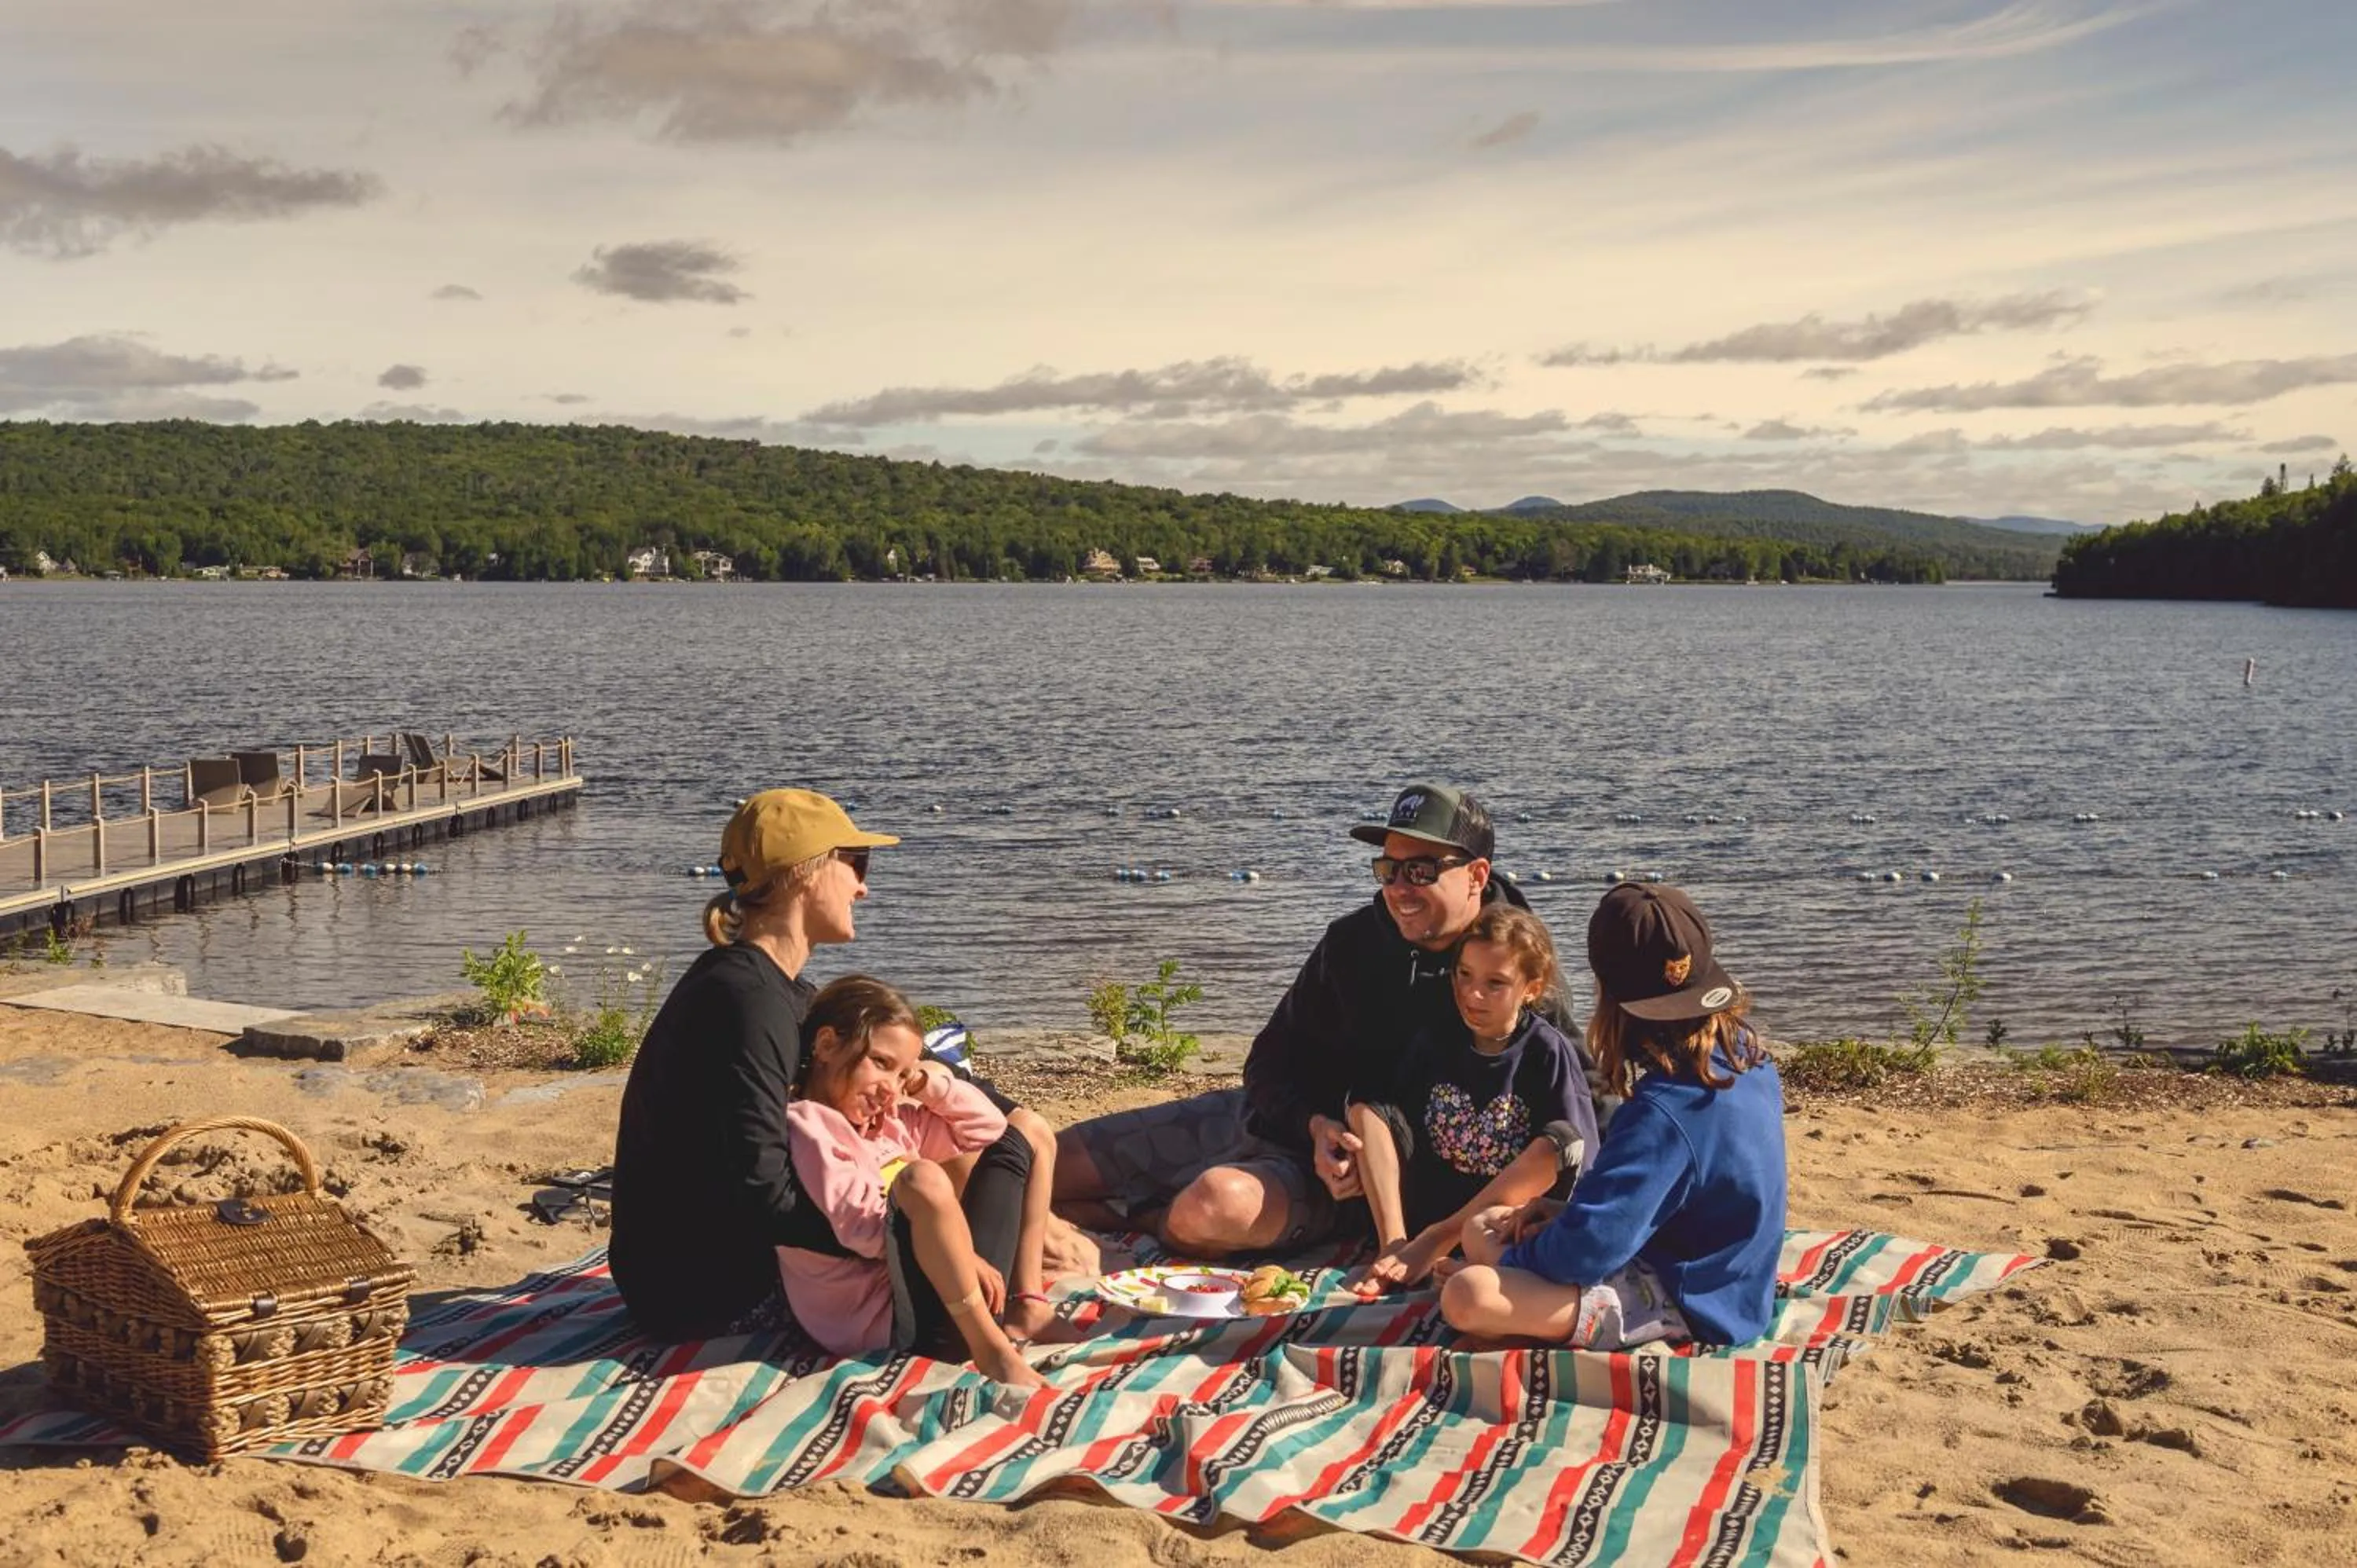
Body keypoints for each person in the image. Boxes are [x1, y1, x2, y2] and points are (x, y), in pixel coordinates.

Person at [609, 789, 1077, 1339]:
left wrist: (952, 1087)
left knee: (1009, 1131)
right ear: (806, 872)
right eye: (855, 863)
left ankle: (1012, 1297)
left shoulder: (774, 990)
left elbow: (919, 1067)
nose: (863, 884)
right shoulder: (747, 1002)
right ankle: (980, 1317)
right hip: (706, 1294)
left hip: (687, 1276)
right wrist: (927, 1247)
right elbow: (764, 1192)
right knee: (1005, 1149)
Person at [1056, 782, 1588, 1258]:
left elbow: (1587, 1098)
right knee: (1051, 1163)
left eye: (1421, 870)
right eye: (1389, 869)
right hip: (1280, 1123)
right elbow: (1268, 1062)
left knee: (1209, 1207)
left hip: (1355, 1185)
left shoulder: (1509, 962)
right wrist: (1314, 1125)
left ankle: (1134, 1217)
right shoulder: (1354, 942)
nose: (1400, 888)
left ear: (1476, 875)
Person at [1441, 883, 1787, 1351]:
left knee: (1468, 1292)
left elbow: (1585, 1253)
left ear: (1608, 995)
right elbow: (1662, 1199)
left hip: (1690, 1304)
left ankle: (1523, 1323)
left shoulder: (1662, 1113)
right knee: (1485, 1228)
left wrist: (1515, 1263)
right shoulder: (1748, 1055)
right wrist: (1565, 1214)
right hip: (1732, 1281)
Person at [780, 976, 1050, 1388]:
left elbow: (988, 1129)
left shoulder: (888, 1124)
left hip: (942, 1297)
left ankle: (1024, 1305)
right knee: (923, 1179)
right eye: (882, 1063)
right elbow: (864, 1235)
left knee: (1023, 1134)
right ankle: (993, 1352)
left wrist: (927, 1083)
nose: (890, 1088)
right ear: (827, 1045)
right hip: (893, 1328)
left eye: (901, 1074)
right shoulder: (810, 1126)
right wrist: (962, 1252)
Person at [1344, 903, 1595, 1297]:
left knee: (1561, 1141)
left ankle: (1437, 1245)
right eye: (1464, 975)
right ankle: (1394, 1247)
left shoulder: (1547, 1051)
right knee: (1366, 1107)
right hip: (1429, 1205)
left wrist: (1451, 1232)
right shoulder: (1435, 1037)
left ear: (1531, 988)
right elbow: (1391, 1118)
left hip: (1499, 1220)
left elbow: (1575, 1153)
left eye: (1495, 983)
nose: (1472, 994)